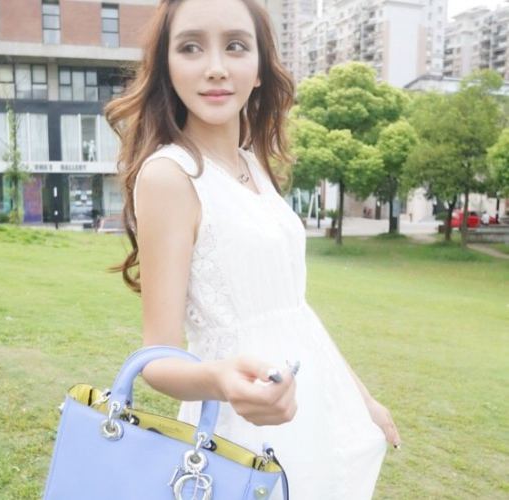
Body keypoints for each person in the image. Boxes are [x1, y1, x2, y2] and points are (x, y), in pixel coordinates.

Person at [105, 0, 400, 498]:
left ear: (260, 68)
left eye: (236, 46)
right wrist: (222, 380)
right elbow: (156, 358)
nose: (215, 67)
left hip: (314, 407)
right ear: (167, 65)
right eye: (191, 47)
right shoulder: (169, 176)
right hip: (243, 425)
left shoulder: (252, 165)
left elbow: (295, 310)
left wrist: (361, 397)